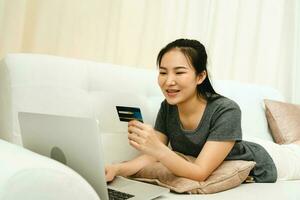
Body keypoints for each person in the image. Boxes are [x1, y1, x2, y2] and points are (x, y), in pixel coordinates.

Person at [105, 38, 300, 183]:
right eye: (163, 72)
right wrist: (117, 168)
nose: (168, 81)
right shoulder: (168, 107)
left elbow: (199, 172)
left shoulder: (226, 110)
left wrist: (157, 147)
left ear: (200, 76)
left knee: (295, 151)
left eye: (179, 72)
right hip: (232, 147)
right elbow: (151, 155)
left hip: (270, 159)